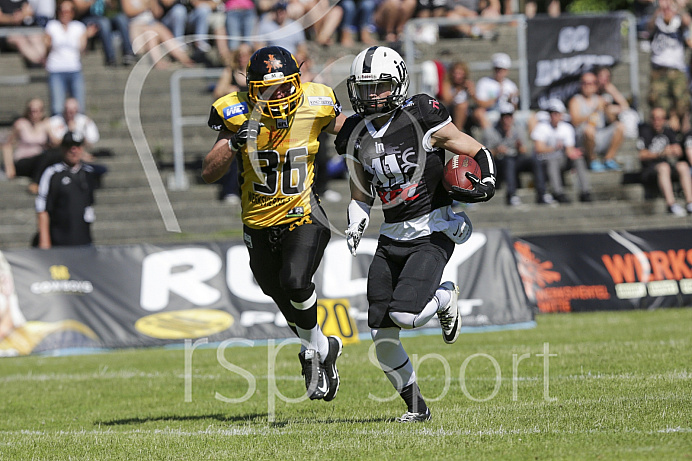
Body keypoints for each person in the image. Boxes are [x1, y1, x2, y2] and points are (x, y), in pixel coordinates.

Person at [335, 46, 496, 422]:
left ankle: (444, 298)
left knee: (406, 316)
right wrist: (356, 219)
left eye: (380, 86)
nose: (372, 95)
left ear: (399, 83)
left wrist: (486, 180)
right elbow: (361, 194)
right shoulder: (355, 134)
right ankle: (416, 409)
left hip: (432, 229)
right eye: (365, 87)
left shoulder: (421, 115)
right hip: (391, 236)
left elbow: (476, 149)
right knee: (381, 334)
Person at [202, 46, 346, 401]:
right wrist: (235, 143)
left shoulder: (317, 101)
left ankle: (311, 355)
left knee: (296, 281)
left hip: (303, 213)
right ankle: (325, 348)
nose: (277, 95)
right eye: (267, 89)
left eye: (283, 87)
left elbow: (351, 136)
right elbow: (209, 171)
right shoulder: (233, 110)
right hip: (258, 223)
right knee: (280, 294)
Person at [35, 131, 97, 248]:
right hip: (59, 242)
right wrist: (44, 242)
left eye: (77, 146)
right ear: (63, 149)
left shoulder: (88, 173)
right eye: (69, 146)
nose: (73, 150)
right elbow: (42, 208)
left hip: (84, 241)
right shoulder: (53, 173)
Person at [531, 99, 592, 204]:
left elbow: (569, 150)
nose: (554, 116)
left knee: (578, 160)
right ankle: (558, 192)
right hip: (546, 160)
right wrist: (554, 148)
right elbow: (539, 149)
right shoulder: (542, 127)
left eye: (556, 113)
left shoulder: (566, 128)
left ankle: (585, 191)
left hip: (562, 159)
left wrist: (574, 153)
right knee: (552, 161)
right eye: (551, 113)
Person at [482, 102, 544, 206]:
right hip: (499, 162)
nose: (507, 120)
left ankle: (542, 193)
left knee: (534, 160)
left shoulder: (518, 129)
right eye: (504, 117)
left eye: (509, 116)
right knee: (508, 161)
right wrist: (497, 151)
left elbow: (525, 151)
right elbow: (484, 153)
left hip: (516, 159)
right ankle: (511, 195)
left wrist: (520, 147)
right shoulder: (491, 131)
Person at [646, 0, 691, 132]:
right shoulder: (657, 19)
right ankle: (664, 133)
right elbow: (649, 27)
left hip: (677, 69)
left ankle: (683, 132)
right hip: (658, 69)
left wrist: (676, 7)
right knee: (659, 104)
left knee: (682, 102)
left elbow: (687, 22)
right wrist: (660, 10)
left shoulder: (679, 20)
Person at [638, 107, 692, 216]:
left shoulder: (668, 131)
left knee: (682, 165)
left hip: (668, 167)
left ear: (664, 120)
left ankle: (690, 202)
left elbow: (679, 150)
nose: (656, 121)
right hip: (651, 170)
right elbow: (641, 155)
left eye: (659, 118)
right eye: (654, 118)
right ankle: (671, 204)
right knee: (664, 167)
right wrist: (660, 153)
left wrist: (674, 150)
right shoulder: (645, 131)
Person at [568, 71, 624, 172]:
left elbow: (613, 120)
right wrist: (591, 113)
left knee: (620, 126)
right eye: (585, 83)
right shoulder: (575, 101)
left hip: (600, 135)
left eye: (591, 83)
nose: (587, 86)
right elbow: (575, 121)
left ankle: (609, 159)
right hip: (583, 138)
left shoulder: (600, 100)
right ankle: (592, 160)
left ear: (595, 85)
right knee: (589, 130)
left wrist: (607, 108)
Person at [44, 0, 87, 116]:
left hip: (74, 68)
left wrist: (88, 36)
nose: (65, 13)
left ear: (73, 12)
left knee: (79, 107)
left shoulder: (79, 27)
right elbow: (46, 46)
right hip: (56, 68)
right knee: (57, 107)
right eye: (62, 10)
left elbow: (82, 49)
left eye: (68, 11)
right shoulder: (52, 26)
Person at [1, 98, 54, 194]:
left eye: (37, 111)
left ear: (42, 111)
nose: (34, 113)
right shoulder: (21, 124)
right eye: (31, 110)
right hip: (23, 160)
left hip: (38, 163)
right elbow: (7, 145)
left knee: (53, 155)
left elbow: (55, 143)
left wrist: (48, 128)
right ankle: (36, 183)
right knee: (45, 156)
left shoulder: (45, 124)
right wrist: (9, 167)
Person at [121, 0, 195, 68]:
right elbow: (128, 12)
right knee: (152, 32)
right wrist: (145, 6)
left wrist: (152, 3)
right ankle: (176, 58)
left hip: (151, 25)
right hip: (136, 26)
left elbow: (158, 13)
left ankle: (181, 57)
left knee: (159, 32)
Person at [73, 0, 137, 66]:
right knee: (104, 22)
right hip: (87, 19)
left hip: (103, 19)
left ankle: (128, 53)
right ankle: (110, 59)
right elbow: (78, 9)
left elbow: (113, 7)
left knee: (121, 18)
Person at [473, 52, 519, 130]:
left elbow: (515, 108)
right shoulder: (484, 82)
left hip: (507, 114)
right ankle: (490, 137)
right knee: (479, 113)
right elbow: (480, 104)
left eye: (502, 69)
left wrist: (512, 99)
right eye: (497, 69)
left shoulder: (511, 85)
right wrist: (496, 98)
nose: (500, 72)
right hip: (490, 113)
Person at [0, 0, 46, 66]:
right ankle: (38, 60)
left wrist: (20, 16)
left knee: (36, 37)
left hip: (24, 31)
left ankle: (39, 58)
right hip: (6, 34)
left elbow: (29, 12)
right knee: (20, 40)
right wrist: (12, 19)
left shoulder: (24, 1)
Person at [439, 60, 475, 132]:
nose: (457, 76)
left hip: (467, 112)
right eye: (455, 73)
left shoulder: (468, 84)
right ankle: (458, 131)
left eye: (460, 73)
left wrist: (472, 93)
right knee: (462, 106)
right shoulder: (448, 84)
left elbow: (477, 101)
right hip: (451, 110)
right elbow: (447, 100)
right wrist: (457, 90)